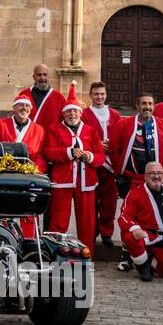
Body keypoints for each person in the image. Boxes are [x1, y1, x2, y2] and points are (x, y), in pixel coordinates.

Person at [42, 85, 105, 251]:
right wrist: (69, 152)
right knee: (58, 220)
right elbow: (48, 152)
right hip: (62, 181)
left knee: (87, 221)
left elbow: (100, 156)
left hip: (86, 182)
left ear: (80, 113)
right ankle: (54, 253)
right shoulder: (54, 130)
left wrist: (90, 156)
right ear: (63, 114)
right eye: (68, 112)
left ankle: (86, 256)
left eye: (75, 111)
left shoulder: (91, 131)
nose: (72, 114)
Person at [118, 161, 163, 282]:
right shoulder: (135, 193)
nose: (156, 176)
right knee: (129, 237)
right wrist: (134, 228)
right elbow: (124, 216)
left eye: (159, 173)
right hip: (144, 236)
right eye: (152, 173)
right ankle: (143, 265)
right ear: (145, 176)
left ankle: (151, 260)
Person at [109, 94, 163, 197]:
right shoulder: (123, 124)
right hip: (132, 179)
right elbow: (114, 149)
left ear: (154, 107)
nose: (147, 107)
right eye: (144, 103)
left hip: (157, 179)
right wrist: (120, 169)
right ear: (137, 106)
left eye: (150, 104)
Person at [81, 81, 121, 247]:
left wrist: (111, 145)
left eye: (102, 94)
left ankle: (106, 232)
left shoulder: (115, 115)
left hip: (110, 164)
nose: (99, 97)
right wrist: (98, 144)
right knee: (92, 200)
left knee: (109, 200)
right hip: (92, 163)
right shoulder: (84, 114)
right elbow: (81, 135)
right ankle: (91, 232)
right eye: (96, 94)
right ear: (90, 95)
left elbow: (120, 136)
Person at [8, 94, 46, 239]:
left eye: (27, 106)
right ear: (14, 107)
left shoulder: (39, 130)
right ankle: (6, 241)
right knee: (5, 212)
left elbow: (42, 155)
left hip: (29, 177)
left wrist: (35, 170)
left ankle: (30, 243)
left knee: (29, 212)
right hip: (6, 176)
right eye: (21, 105)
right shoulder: (2, 124)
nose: (24, 108)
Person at [15, 63, 66, 133]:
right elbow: (17, 116)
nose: (42, 77)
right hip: (30, 138)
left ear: (49, 76)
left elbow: (64, 122)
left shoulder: (59, 98)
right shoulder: (24, 95)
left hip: (50, 140)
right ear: (34, 77)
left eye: (45, 74)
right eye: (39, 75)